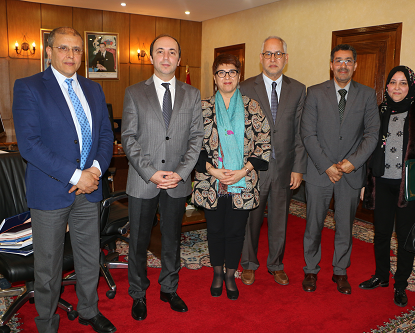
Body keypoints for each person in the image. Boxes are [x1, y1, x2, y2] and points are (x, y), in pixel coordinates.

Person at [12, 27, 115, 333]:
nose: (71, 55)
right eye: (63, 48)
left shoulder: (93, 89)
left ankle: (88, 310)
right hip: (50, 191)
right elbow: (29, 144)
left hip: (90, 190)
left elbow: (106, 135)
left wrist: (94, 171)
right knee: (48, 266)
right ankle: (46, 324)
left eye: (77, 50)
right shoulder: (29, 87)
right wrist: (76, 176)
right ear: (48, 51)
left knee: (88, 256)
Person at [121, 34, 204, 320]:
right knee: (139, 243)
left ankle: (169, 288)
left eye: (172, 52)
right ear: (151, 57)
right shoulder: (134, 92)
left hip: (177, 183)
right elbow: (128, 138)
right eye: (160, 51)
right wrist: (152, 173)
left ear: (179, 60)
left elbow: (196, 139)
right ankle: (138, 293)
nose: (166, 57)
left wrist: (180, 174)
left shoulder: (192, 95)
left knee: (172, 239)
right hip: (143, 181)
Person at [300, 44, 380, 295]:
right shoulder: (314, 93)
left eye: (348, 61)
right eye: (338, 61)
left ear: (355, 65)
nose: (343, 65)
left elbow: (372, 134)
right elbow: (307, 133)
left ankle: (340, 271)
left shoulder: (367, 95)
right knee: (313, 225)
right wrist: (327, 166)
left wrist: (351, 162)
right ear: (331, 65)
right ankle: (311, 270)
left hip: (350, 174)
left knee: (345, 225)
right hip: (318, 172)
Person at [360, 66, 415, 307]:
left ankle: (401, 284)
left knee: (405, 238)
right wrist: (367, 182)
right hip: (382, 182)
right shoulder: (380, 111)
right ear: (386, 87)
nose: (397, 87)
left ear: (411, 85)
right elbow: (371, 148)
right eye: (393, 83)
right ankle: (381, 276)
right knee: (382, 233)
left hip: (409, 187)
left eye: (403, 83)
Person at [192, 53, 271, 300]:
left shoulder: (252, 106)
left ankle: (229, 274)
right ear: (214, 77)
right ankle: (217, 273)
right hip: (211, 182)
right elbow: (192, 145)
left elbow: (265, 143)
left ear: (239, 76)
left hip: (243, 182)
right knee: (215, 231)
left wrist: (244, 170)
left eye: (232, 72)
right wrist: (213, 170)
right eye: (221, 72)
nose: (227, 77)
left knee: (236, 232)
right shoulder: (202, 107)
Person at [239, 36, 306, 286]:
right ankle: (248, 264)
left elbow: (300, 131)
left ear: (286, 59)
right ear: (261, 58)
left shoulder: (298, 89)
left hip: (285, 168)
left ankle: (276, 264)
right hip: (254, 167)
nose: (273, 59)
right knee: (251, 219)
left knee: (280, 219)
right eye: (268, 54)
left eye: (278, 54)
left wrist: (299, 168)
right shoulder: (245, 87)